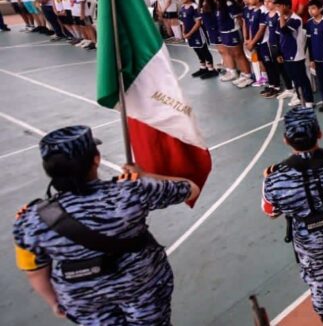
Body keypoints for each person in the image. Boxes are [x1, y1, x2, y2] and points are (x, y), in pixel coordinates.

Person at [13, 126, 200, 324]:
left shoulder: (29, 219)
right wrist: (143, 176)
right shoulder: (130, 192)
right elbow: (191, 188)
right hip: (141, 286)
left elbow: (34, 272)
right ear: (96, 159)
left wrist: (54, 302)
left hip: (82, 300)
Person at [261, 107, 323, 326]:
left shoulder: (274, 179)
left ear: (286, 139)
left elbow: (271, 212)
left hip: (307, 241)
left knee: (317, 280)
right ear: (319, 133)